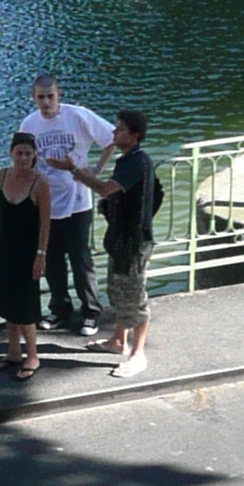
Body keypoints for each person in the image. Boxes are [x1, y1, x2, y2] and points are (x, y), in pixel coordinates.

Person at [21, 71, 114, 338]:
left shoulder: (78, 116)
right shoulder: (29, 124)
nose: (46, 103)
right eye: (41, 98)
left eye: (50, 97)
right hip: (46, 203)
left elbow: (111, 139)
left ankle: (91, 312)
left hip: (77, 201)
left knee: (80, 259)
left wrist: (96, 169)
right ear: (33, 98)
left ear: (59, 95)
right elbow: (23, 157)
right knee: (51, 260)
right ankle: (60, 309)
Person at [84, 111, 157, 380]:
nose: (114, 133)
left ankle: (138, 354)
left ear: (134, 135)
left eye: (120, 130)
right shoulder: (129, 160)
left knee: (135, 296)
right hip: (122, 239)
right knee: (117, 290)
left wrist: (75, 172)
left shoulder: (136, 162)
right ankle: (118, 340)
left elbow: (105, 189)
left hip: (134, 243)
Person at [0, 130, 52, 376]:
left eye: (28, 154)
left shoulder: (40, 183)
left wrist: (41, 254)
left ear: (34, 156)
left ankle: (33, 355)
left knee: (25, 303)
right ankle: (13, 352)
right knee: (7, 300)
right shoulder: (3, 175)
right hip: (5, 246)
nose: (23, 158)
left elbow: (45, 222)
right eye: (19, 153)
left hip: (27, 250)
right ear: (11, 153)